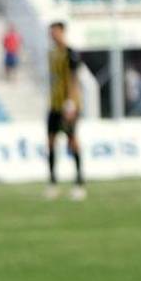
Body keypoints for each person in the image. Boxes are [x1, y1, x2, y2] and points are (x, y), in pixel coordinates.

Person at [46, 21, 85, 200]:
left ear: (63, 32)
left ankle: (79, 182)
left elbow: (74, 78)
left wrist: (70, 103)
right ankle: (53, 182)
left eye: (55, 32)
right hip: (54, 104)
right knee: (51, 141)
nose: (53, 35)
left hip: (69, 105)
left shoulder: (71, 53)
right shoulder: (52, 54)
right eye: (51, 32)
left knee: (72, 141)